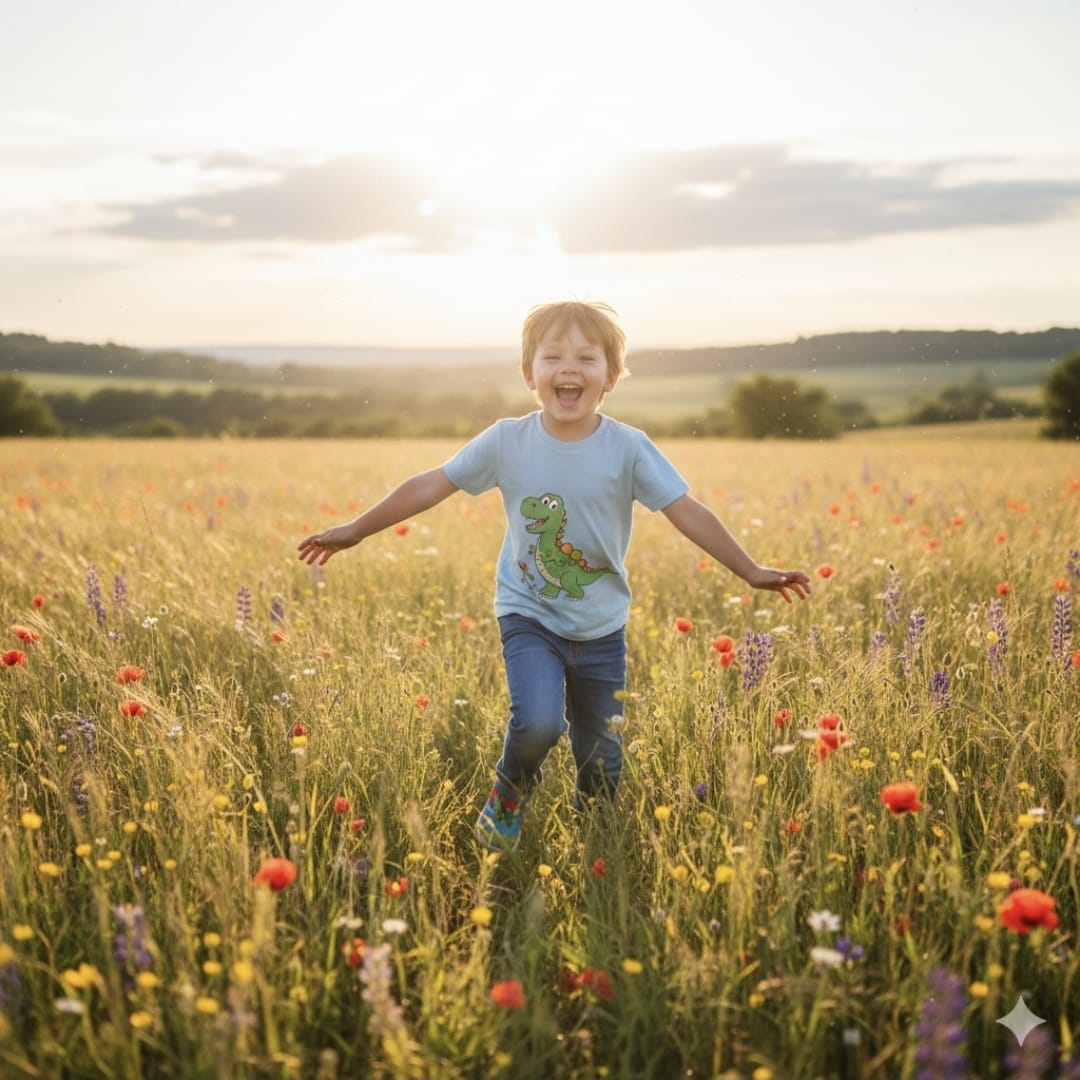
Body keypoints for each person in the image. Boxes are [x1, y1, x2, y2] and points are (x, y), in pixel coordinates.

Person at [297, 301, 810, 851]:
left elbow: (687, 512)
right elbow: (432, 484)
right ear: (530, 374)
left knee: (602, 760)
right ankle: (510, 790)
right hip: (529, 614)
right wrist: (357, 528)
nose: (570, 368)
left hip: (601, 626)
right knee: (540, 722)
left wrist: (752, 570)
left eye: (587, 358)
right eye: (553, 356)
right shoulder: (505, 440)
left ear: (610, 377)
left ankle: (596, 849)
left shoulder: (629, 448)